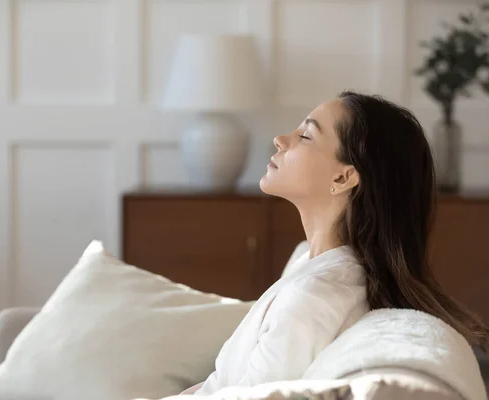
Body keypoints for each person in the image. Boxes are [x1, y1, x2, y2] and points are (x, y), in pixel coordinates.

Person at [182, 91, 489, 396]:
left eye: (305, 136)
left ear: (343, 179)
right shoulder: (315, 267)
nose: (280, 139)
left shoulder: (315, 296)